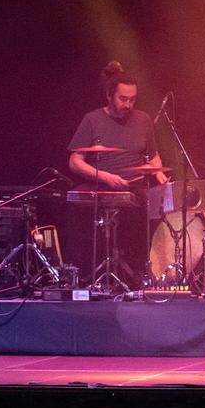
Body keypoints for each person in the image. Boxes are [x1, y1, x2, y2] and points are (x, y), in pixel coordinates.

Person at [66, 61, 169, 282]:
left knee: (155, 207)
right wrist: (106, 177)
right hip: (101, 185)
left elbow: (154, 156)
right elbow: (75, 161)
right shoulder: (92, 119)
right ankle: (82, 273)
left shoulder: (144, 120)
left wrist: (158, 171)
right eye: (123, 99)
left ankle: (140, 273)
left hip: (135, 186)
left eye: (133, 99)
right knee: (75, 203)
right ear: (109, 95)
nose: (128, 104)